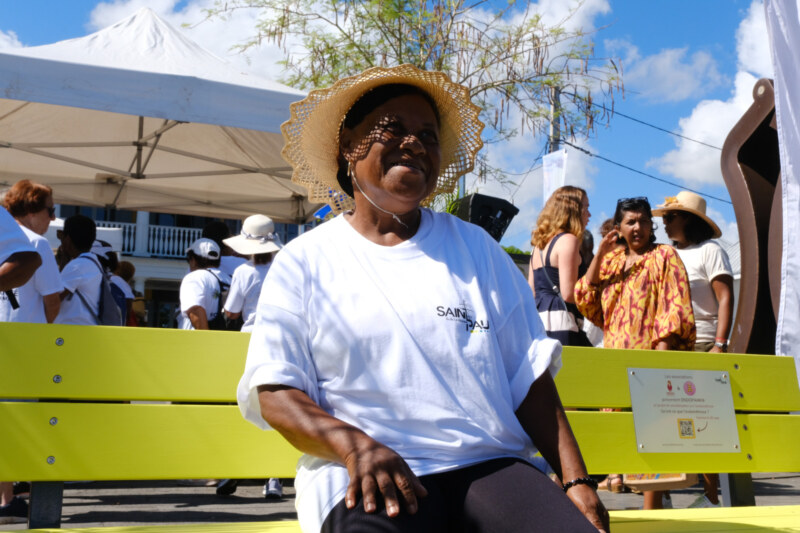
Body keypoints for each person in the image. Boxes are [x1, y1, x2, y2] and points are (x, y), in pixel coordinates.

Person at [238, 64, 608, 533]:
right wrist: (354, 445)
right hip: (368, 470)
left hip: (490, 465)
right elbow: (276, 392)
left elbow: (529, 380)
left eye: (428, 136)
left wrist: (576, 481)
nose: (414, 143)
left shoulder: (477, 250)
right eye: (392, 128)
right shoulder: (305, 261)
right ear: (348, 145)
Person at [575, 196, 696, 510]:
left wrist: (662, 357)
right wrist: (600, 253)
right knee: (621, 434)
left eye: (643, 221)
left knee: (652, 432)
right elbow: (585, 300)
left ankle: (652, 507)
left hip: (649, 355)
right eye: (631, 221)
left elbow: (674, 305)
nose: (638, 227)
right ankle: (630, 495)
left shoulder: (663, 256)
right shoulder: (612, 262)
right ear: (618, 228)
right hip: (615, 357)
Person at [654, 190, 734, 509]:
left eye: (670, 217)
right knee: (665, 422)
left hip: (703, 342)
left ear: (688, 219)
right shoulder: (663, 253)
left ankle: (711, 497)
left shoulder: (710, 251)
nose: (665, 223)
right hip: (668, 345)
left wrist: (720, 343)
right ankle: (662, 496)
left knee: (705, 424)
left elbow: (726, 297)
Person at [215, 214, 283, 498]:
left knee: (243, 405)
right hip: (280, 341)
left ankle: (235, 469)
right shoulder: (283, 268)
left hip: (249, 342)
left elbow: (231, 312)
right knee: (277, 408)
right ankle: (274, 477)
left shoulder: (243, 272)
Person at [0, 204, 41, 525]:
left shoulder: (35, 243)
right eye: (49, 210)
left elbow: (28, 262)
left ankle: (7, 495)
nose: (52, 218)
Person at [528, 186, 592, 346]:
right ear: (574, 209)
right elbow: (568, 293)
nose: (589, 214)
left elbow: (531, 291)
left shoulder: (538, 246)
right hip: (562, 321)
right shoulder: (569, 240)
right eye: (586, 208)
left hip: (538, 319)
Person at [1, 180, 63, 324]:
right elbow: (53, 303)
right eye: (51, 211)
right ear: (31, 210)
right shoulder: (37, 243)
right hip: (25, 336)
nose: (53, 218)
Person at [55, 215, 102, 326]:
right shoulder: (91, 261)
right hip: (84, 329)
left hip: (74, 332)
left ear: (68, 239)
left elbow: (54, 300)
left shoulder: (77, 266)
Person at [178, 238, 231, 330]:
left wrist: (206, 342)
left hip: (199, 342)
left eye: (188, 259)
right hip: (228, 340)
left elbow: (196, 311)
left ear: (193, 260)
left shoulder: (194, 278)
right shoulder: (230, 279)